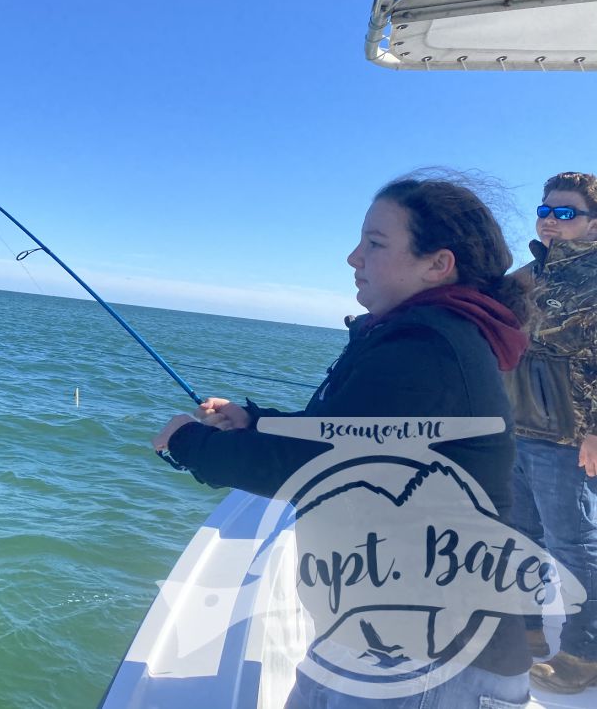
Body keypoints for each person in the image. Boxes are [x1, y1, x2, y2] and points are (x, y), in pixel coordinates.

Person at [152, 175, 532, 708]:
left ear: (437, 264)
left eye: (375, 244)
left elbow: (317, 469)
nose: (353, 257)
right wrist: (254, 421)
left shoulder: (429, 347)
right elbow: (348, 434)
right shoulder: (429, 335)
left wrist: (189, 442)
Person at [504, 171, 597, 694]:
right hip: (520, 420)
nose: (550, 220)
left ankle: (585, 653)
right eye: (545, 210)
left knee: (576, 546)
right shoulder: (538, 270)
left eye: (566, 212)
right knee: (521, 534)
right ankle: (526, 631)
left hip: (571, 432)